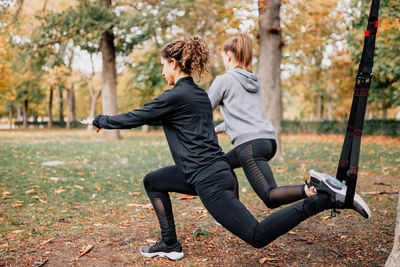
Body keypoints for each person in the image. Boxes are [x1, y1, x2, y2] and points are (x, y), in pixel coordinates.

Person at [81, 36, 370, 261]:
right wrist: (108, 122)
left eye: (162, 64)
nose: (161, 70)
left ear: (173, 62)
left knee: (256, 235)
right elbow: (160, 118)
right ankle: (169, 244)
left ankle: (321, 199)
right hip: (207, 172)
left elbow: (139, 115)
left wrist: (99, 120)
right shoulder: (195, 95)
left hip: (209, 180)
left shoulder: (176, 96)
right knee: (153, 180)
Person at [208, 33, 315, 209]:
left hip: (250, 146)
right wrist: (217, 129)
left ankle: (312, 189)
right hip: (267, 141)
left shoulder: (224, 80)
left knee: (270, 196)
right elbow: (243, 117)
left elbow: (203, 109)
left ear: (228, 56)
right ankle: (233, 210)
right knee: (223, 165)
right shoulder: (254, 80)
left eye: (223, 58)